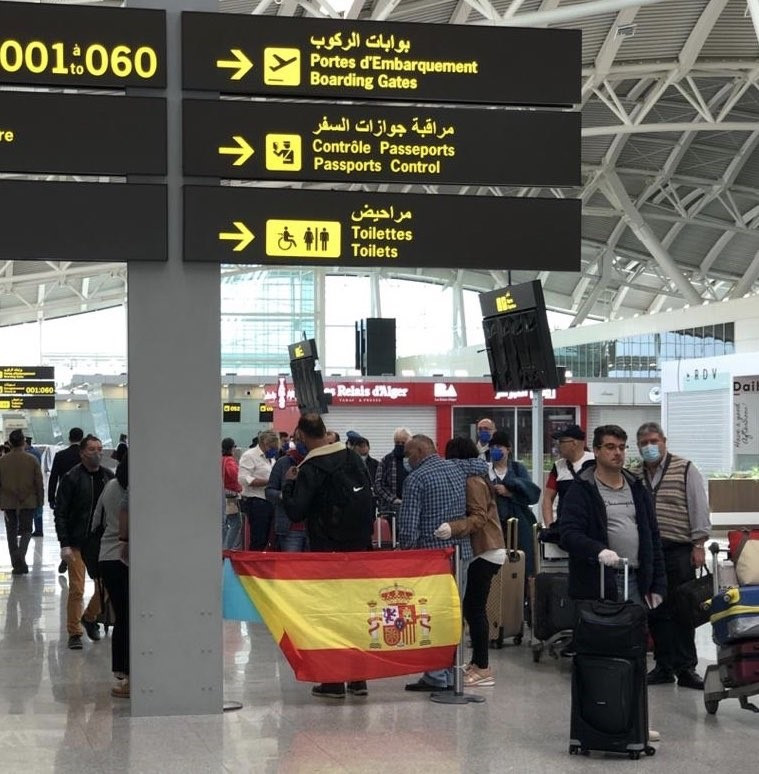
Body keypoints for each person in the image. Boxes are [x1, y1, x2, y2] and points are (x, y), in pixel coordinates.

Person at [282, 413, 373, 698]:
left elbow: (296, 511)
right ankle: (359, 678)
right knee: (357, 610)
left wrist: (288, 484)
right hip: (358, 549)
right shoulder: (352, 458)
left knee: (331, 614)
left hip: (326, 552)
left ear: (303, 437)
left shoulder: (312, 466)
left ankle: (333, 681)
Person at [398, 434, 485, 693]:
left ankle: (436, 675)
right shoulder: (456, 467)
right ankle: (448, 673)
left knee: (431, 615)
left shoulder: (416, 479)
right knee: (453, 615)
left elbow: (409, 527)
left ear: (421, 450)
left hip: (431, 559)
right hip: (462, 554)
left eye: (409, 455)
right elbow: (482, 466)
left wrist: (406, 552)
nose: (407, 461)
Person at [631, 422, 711, 690]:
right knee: (655, 609)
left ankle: (686, 667)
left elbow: (698, 504)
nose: (649, 447)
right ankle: (664, 666)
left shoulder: (685, 468)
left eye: (654, 441)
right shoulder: (635, 475)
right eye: (643, 443)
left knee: (682, 610)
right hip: (649, 552)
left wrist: (698, 544)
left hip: (678, 549)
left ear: (664, 441)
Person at [435, 437, 505, 687]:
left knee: (474, 610)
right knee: (473, 608)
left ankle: (483, 668)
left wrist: (451, 528)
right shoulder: (476, 475)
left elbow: (478, 518)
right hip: (486, 549)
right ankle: (477, 662)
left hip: (486, 549)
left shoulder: (473, 480)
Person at [54, 434, 115, 649]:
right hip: (77, 542)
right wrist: (64, 543)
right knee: (77, 589)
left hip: (101, 542)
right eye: (92, 449)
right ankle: (74, 632)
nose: (97, 453)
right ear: (82, 453)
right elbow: (60, 513)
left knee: (105, 585)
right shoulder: (72, 478)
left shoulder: (108, 478)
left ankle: (89, 617)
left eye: (100, 448)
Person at [92, 452, 130, 698]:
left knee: (122, 616)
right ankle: (129, 675)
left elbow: (96, 521)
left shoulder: (110, 485)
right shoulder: (137, 489)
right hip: (125, 557)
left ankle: (122, 673)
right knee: (130, 617)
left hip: (107, 556)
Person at [487, 431, 540, 578]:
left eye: (499, 447)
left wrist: (510, 493)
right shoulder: (485, 470)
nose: (495, 450)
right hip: (493, 525)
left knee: (520, 563)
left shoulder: (517, 469)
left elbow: (531, 495)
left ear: (508, 449)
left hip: (517, 526)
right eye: (492, 447)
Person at [0, 428, 44, 574]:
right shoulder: (32, 459)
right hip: (28, 501)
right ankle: (20, 555)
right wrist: (40, 501)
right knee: (26, 530)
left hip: (8, 502)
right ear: (23, 442)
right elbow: (39, 482)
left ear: (10, 443)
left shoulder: (2, 460)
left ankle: (17, 563)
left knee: (11, 532)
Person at [542, 424, 595, 528]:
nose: (558, 446)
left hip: (591, 526)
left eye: (561, 442)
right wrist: (549, 526)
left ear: (574, 443)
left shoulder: (595, 462)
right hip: (565, 526)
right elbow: (548, 498)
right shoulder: (558, 466)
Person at [48, 427, 85, 573]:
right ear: (81, 439)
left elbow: (53, 478)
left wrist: (51, 498)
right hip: (82, 497)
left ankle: (66, 556)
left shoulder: (60, 455)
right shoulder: (83, 455)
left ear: (69, 438)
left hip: (64, 498)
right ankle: (78, 556)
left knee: (64, 526)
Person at [266, 430, 308, 552]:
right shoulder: (282, 463)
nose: (303, 444)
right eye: (299, 440)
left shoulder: (318, 462)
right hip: (290, 528)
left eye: (305, 441)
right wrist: (282, 495)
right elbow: (269, 491)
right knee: (291, 567)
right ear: (294, 441)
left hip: (314, 527)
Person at [237, 430, 279, 550]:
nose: (274, 450)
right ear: (264, 443)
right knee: (258, 539)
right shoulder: (249, 456)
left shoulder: (270, 458)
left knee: (267, 539)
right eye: (272, 447)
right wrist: (269, 482)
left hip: (269, 501)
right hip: (256, 501)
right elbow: (244, 479)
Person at [374, 427, 412, 516]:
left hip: (412, 507)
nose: (400, 445)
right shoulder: (386, 461)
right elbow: (378, 485)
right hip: (391, 509)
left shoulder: (415, 460)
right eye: (397, 442)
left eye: (403, 443)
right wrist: (393, 499)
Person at [221, 438, 243, 550]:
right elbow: (235, 476)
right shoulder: (230, 461)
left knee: (223, 523)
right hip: (230, 495)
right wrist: (241, 488)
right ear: (232, 448)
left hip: (222, 493)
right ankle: (227, 548)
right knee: (236, 523)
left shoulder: (220, 459)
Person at [24, 437, 44, 537]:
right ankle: (38, 529)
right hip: (37, 483)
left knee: (30, 508)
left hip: (29, 484)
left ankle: (31, 529)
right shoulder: (36, 452)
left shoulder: (28, 454)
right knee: (38, 509)